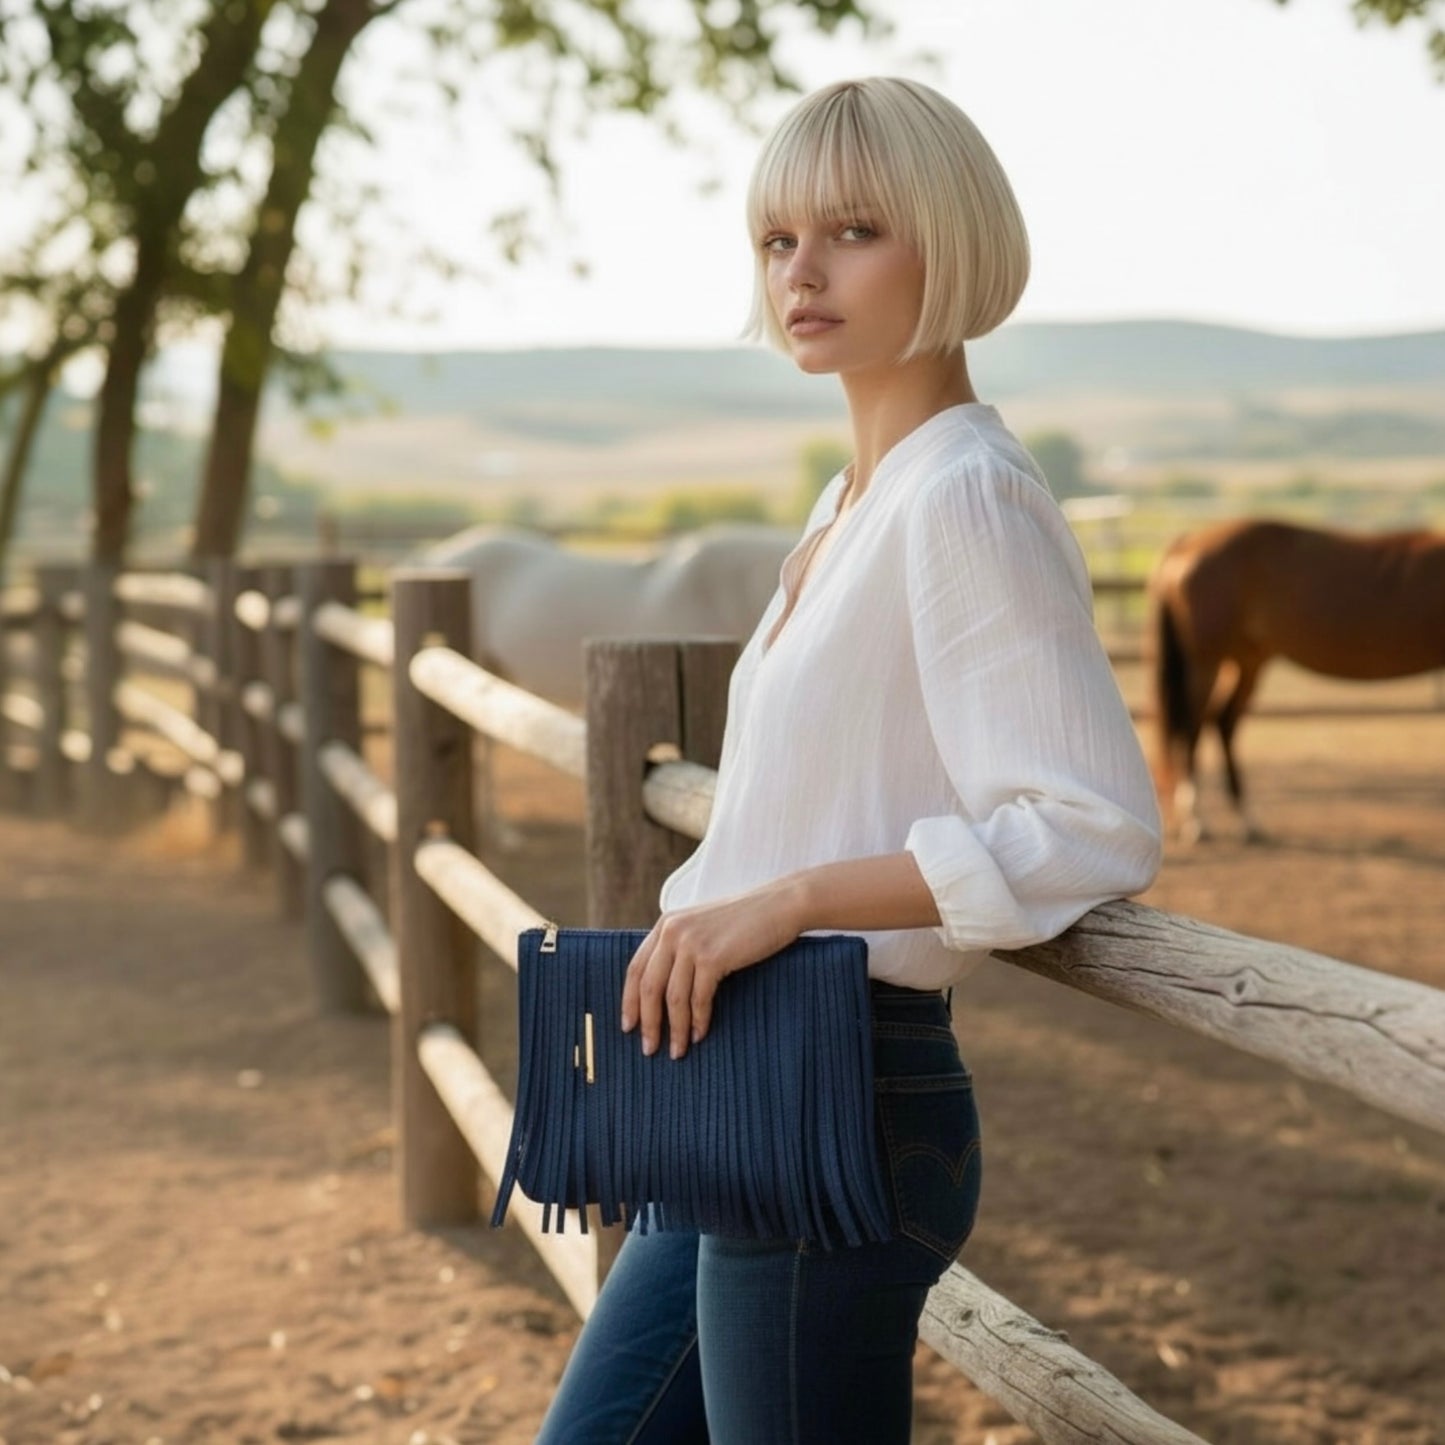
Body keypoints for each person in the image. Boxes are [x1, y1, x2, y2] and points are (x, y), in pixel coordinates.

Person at [534, 76, 1162, 1443]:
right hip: (731, 1082)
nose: (800, 272)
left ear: (948, 244)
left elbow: (1086, 824)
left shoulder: (965, 498)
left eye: (852, 230)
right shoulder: (847, 504)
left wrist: (792, 897)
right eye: (775, 239)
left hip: (846, 1090)